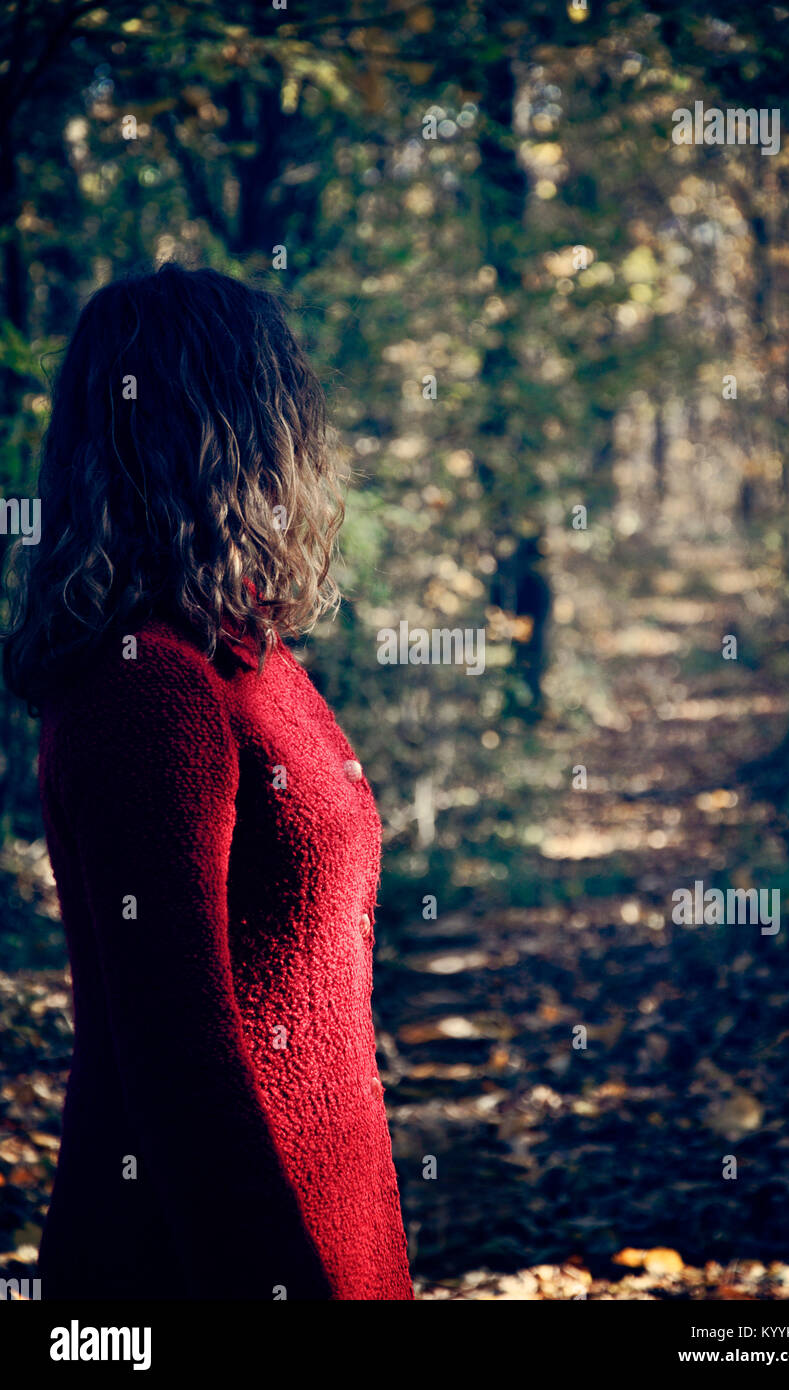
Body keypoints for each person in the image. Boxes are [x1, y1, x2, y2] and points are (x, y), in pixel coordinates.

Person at [2, 263, 414, 1301]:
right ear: (231, 429)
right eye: (284, 405)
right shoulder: (148, 692)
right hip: (197, 1263)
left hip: (327, 1230)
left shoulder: (245, 658)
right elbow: (179, 1067)